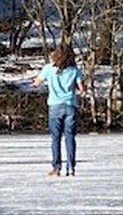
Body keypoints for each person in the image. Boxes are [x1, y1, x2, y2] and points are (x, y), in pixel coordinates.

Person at [33, 44, 87, 177]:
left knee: (55, 138)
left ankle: (56, 167)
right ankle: (71, 167)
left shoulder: (48, 69)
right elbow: (82, 89)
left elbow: (37, 82)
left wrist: (35, 81)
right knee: (70, 137)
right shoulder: (74, 70)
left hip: (54, 106)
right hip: (70, 105)